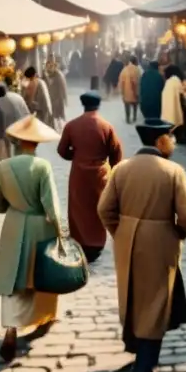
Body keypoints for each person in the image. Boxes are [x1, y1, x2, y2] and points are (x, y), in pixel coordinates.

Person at [98, 118, 186, 372]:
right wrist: (176, 232)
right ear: (161, 141)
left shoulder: (121, 169)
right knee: (156, 302)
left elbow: (104, 209)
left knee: (133, 295)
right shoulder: (174, 171)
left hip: (127, 240)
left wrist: (121, 233)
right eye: (171, 138)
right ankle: (143, 371)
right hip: (160, 240)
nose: (174, 143)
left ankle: (135, 347)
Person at [0, 114, 64, 362]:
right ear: (37, 143)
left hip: (13, 226)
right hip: (38, 226)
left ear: (17, 141)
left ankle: (11, 329)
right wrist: (60, 229)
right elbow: (51, 204)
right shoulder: (42, 167)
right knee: (39, 275)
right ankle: (44, 318)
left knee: (13, 277)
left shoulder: (2, 167)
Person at [57, 91, 124, 263]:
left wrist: (77, 156)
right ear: (98, 105)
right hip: (100, 174)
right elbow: (116, 152)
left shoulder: (72, 126)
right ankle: (97, 244)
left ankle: (80, 243)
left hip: (79, 173)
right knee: (98, 207)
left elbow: (62, 151)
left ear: (83, 104)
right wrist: (110, 166)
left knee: (79, 207)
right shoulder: (106, 127)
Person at [0, 82, 30, 162]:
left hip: (12, 128)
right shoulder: (16, 96)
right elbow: (27, 112)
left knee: (8, 149)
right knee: (21, 152)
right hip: (24, 124)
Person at [45, 57, 69, 129]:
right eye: (48, 66)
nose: (49, 68)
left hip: (57, 99)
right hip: (51, 98)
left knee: (58, 115)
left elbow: (63, 88)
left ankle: (60, 128)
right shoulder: (47, 75)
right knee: (52, 114)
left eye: (51, 66)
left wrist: (64, 99)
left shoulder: (59, 75)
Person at [118, 56, 142, 123]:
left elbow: (121, 82)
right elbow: (138, 82)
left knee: (127, 106)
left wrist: (122, 92)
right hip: (135, 92)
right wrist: (137, 92)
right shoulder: (137, 70)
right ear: (135, 62)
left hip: (126, 93)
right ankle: (134, 117)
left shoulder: (124, 69)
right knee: (135, 106)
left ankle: (127, 118)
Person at [160, 65, 184, 129]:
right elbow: (182, 92)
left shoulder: (169, 81)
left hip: (165, 115)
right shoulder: (176, 80)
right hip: (172, 114)